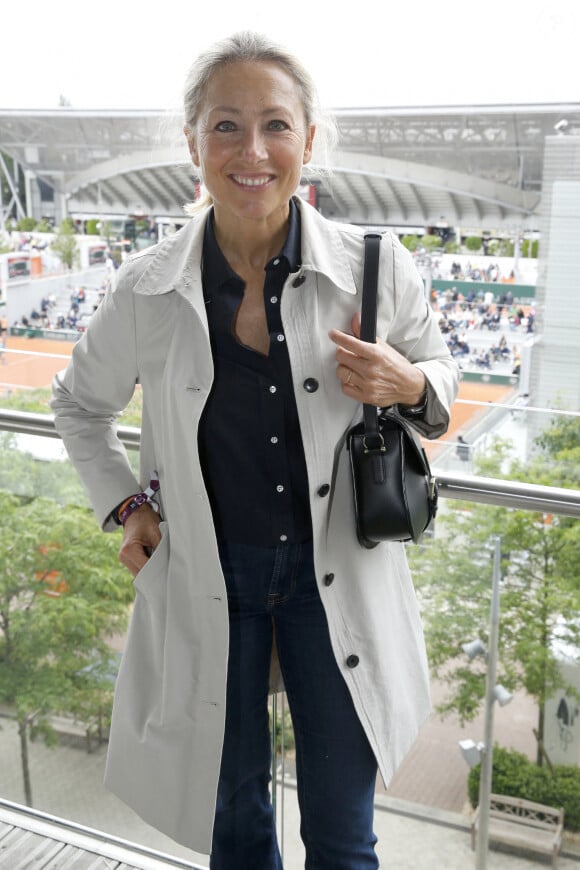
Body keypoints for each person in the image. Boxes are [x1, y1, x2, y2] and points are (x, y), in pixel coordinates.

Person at [51, 31, 459, 869]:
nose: (252, 151)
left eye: (275, 124)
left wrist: (408, 384)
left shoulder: (374, 269)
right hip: (209, 577)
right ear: (193, 143)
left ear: (309, 139)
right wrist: (127, 506)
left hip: (334, 575)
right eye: (225, 126)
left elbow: (440, 389)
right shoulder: (146, 287)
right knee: (232, 821)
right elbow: (78, 406)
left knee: (343, 835)